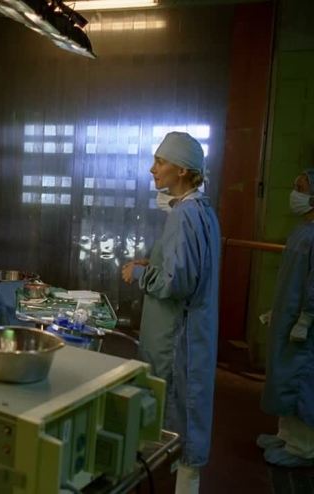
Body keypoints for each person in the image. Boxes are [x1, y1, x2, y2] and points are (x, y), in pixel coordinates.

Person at [121, 132, 220, 494]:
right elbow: (192, 266)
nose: (153, 169)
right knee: (186, 408)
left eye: (160, 162)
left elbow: (176, 283)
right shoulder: (202, 210)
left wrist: (140, 275)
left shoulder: (184, 215)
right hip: (192, 331)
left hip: (175, 335)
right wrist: (155, 262)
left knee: (177, 412)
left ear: (181, 170)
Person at [258, 169, 314, 468]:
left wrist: (306, 318)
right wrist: (277, 310)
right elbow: (290, 280)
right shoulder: (302, 231)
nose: (295, 194)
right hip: (289, 317)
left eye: (301, 188)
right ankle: (286, 435)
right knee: (283, 379)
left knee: (301, 382)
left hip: (305, 327)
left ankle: (303, 447)